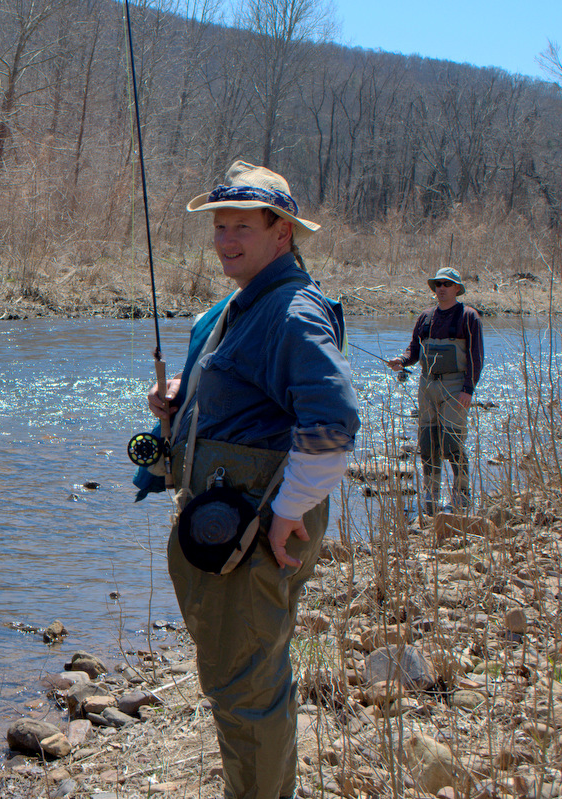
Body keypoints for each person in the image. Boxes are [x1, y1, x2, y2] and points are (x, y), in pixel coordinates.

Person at [146, 161, 360, 799]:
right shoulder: (237, 308)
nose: (226, 240)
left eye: (243, 226)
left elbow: (334, 421)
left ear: (282, 235)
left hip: (256, 529)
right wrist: (184, 398)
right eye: (219, 227)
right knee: (242, 680)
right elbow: (260, 395)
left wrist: (291, 508)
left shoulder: (292, 310)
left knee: (247, 689)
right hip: (230, 525)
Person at [386, 267, 484, 513]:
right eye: (438, 284)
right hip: (427, 385)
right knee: (428, 442)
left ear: (457, 289)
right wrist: (401, 361)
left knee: (452, 442)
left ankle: (462, 494)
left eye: (447, 284)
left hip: (455, 387)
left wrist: (468, 389)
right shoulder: (425, 317)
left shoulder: (469, 317)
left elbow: (476, 357)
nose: (441, 288)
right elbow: (413, 352)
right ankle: (431, 494)